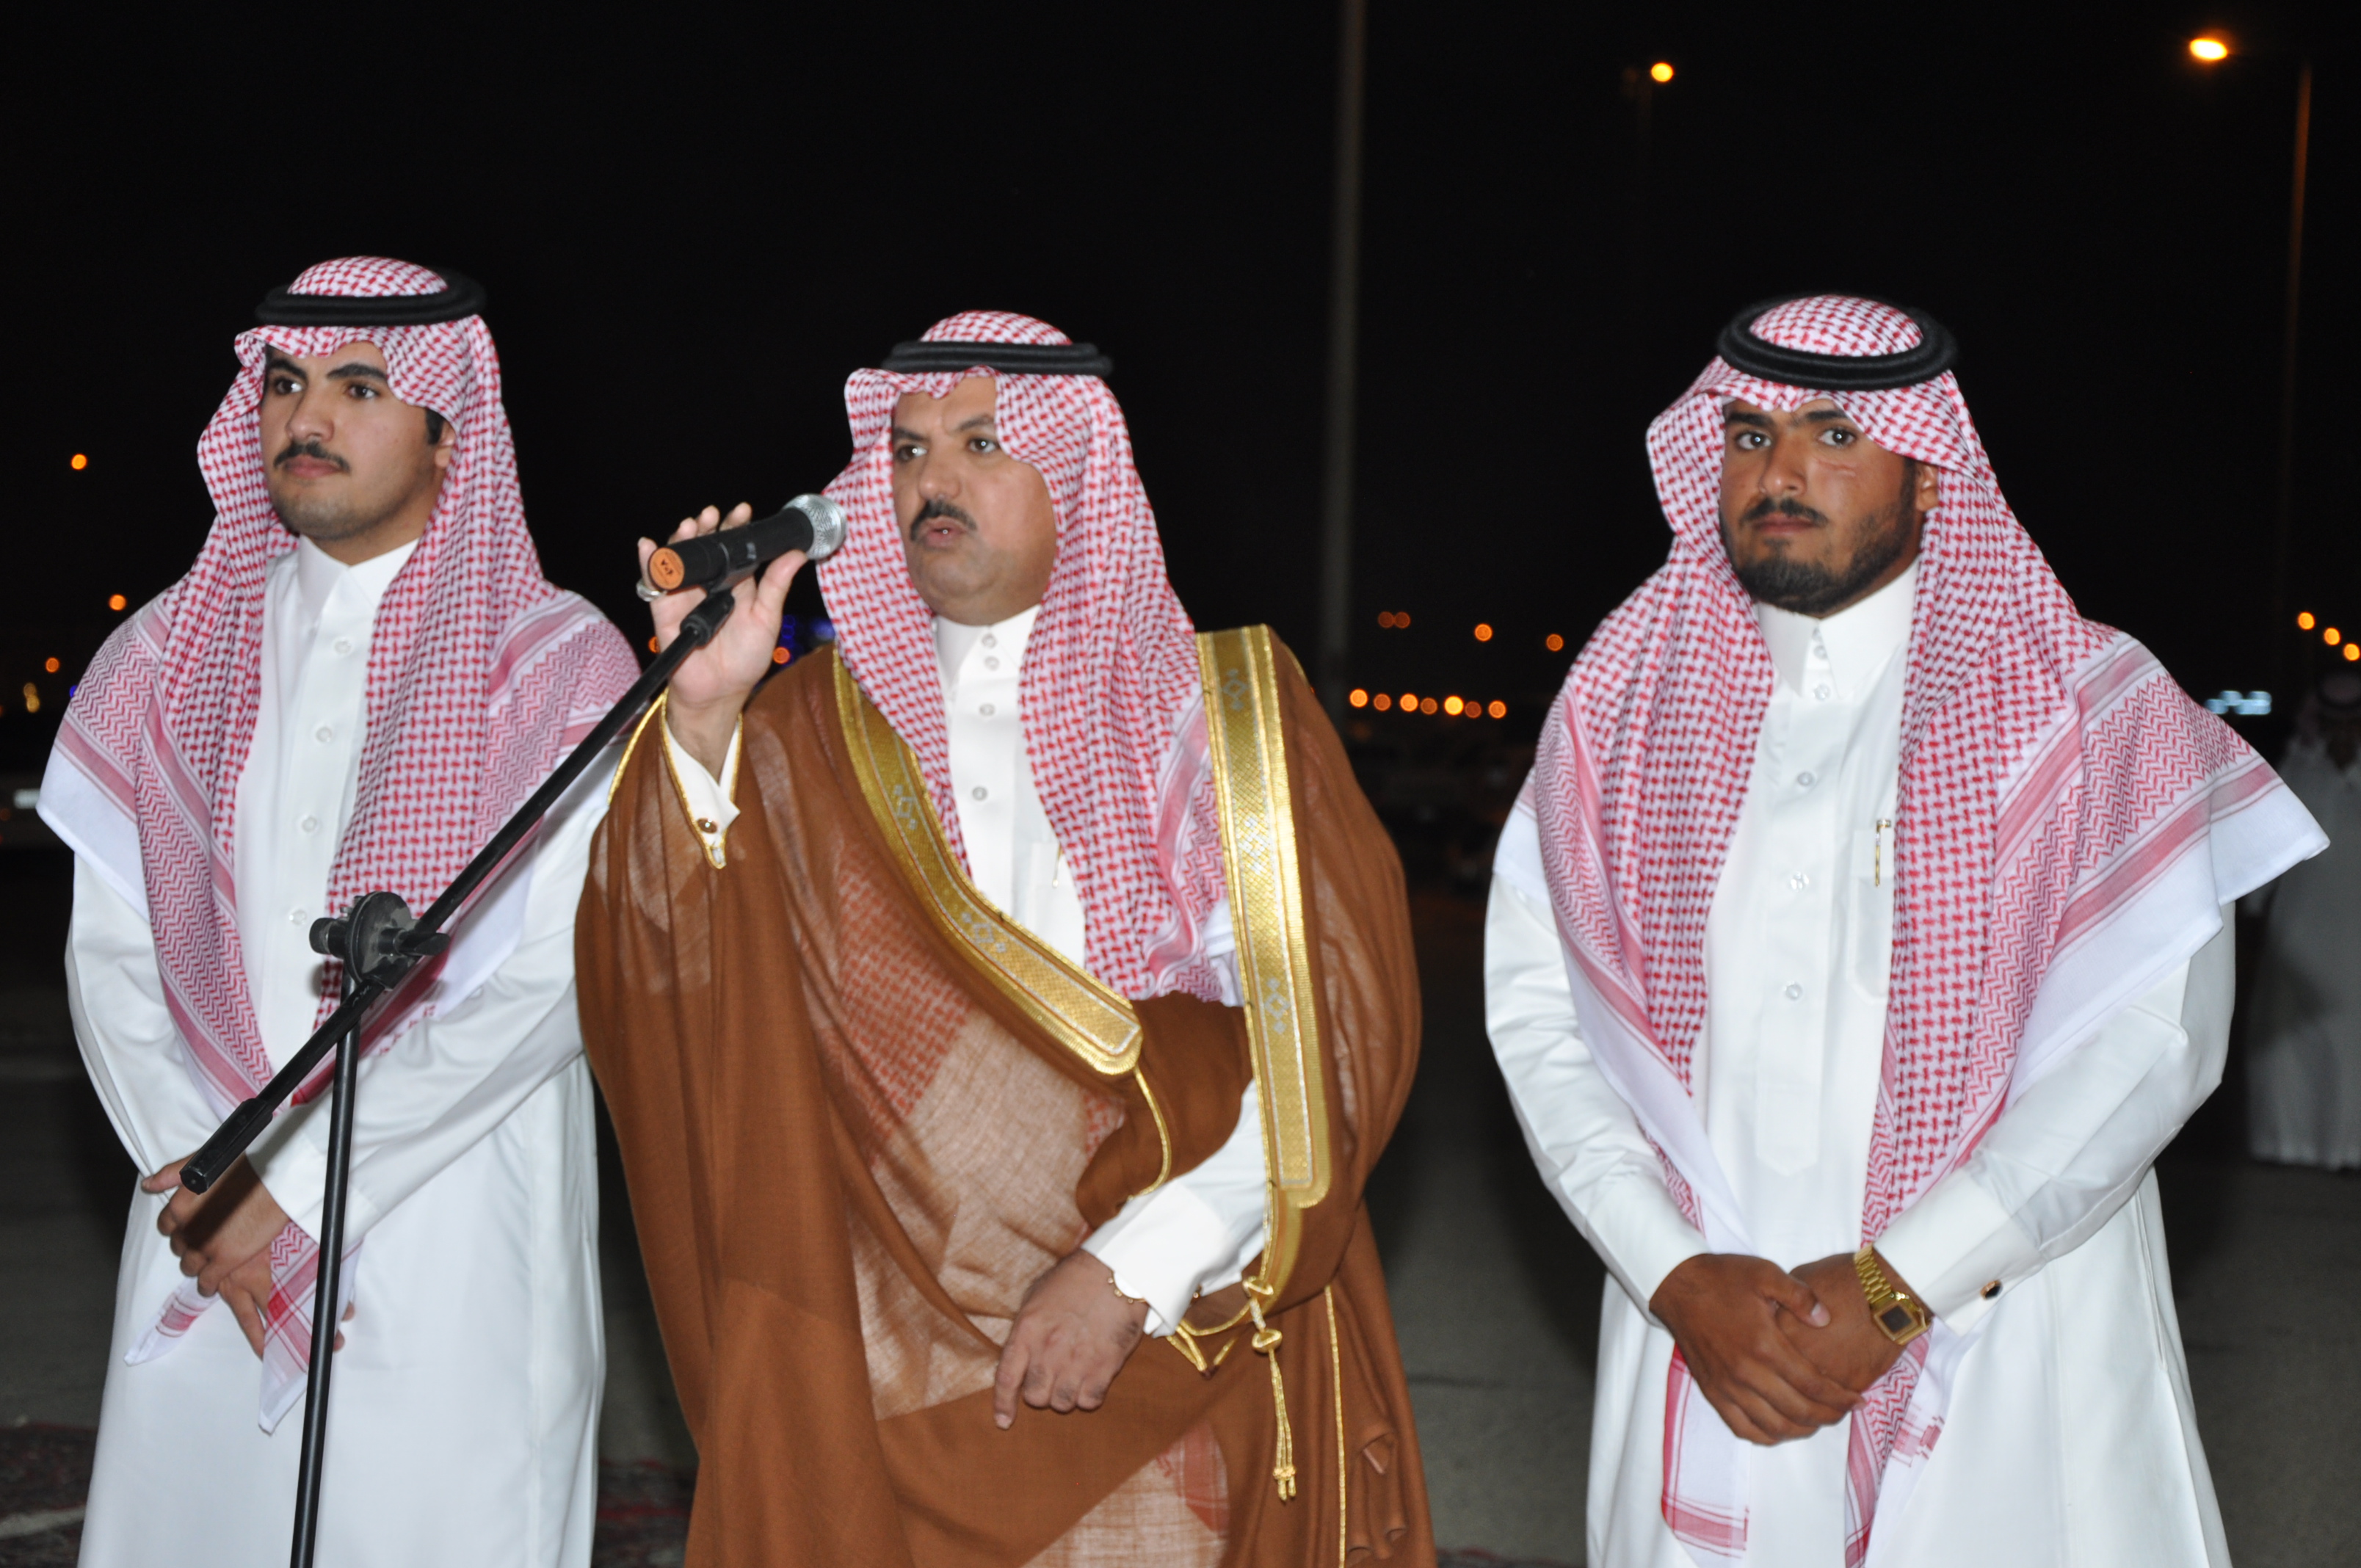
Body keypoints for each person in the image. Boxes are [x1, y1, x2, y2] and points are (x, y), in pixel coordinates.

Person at [1484, 294, 2325, 1568]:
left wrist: (1898, 1285)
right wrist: (1673, 1274)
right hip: (1706, 1330)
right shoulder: (1619, 707)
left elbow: (2153, 1043)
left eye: (1834, 436)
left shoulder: (2087, 709)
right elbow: (1541, 1015)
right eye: (1751, 434)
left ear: (1931, 474)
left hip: (2001, 1324)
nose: (1780, 474)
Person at [577, 311, 1431, 1565]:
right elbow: (670, 983)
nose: (934, 480)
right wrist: (702, 724)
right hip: (889, 1377)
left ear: (1076, 470)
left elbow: (1339, 1042)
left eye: (981, 444)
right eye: (908, 450)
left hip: (1172, 1337)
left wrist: (1143, 1263)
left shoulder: (1227, 716)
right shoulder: (802, 732)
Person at [44, 257, 639, 1566]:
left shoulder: (558, 666)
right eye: (285, 382)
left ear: (449, 430)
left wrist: (297, 1182)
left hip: (442, 1230)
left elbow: (553, 985)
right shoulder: (162, 655)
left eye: (359, 388)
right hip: (202, 1227)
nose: (306, 417)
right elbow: (112, 956)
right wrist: (212, 1180)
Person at [2244, 670, 2361, 1167]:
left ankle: (2347, 1151)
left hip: (2354, 940)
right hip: (2297, 935)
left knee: (2351, 1046)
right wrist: (2252, 911)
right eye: (2334, 722)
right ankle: (2287, 1146)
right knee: (2286, 1041)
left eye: (2352, 723)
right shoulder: (2296, 771)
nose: (2342, 733)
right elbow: (2265, 849)